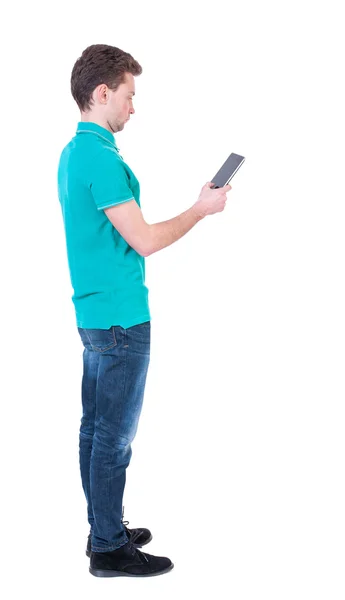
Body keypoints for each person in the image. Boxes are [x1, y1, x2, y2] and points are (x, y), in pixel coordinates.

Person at [57, 44, 232, 579]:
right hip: (120, 320)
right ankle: (108, 548)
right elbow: (147, 240)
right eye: (129, 96)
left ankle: (102, 528)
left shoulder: (72, 153)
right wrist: (201, 210)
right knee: (114, 437)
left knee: (95, 431)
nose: (134, 108)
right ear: (102, 92)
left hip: (95, 315)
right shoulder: (100, 158)